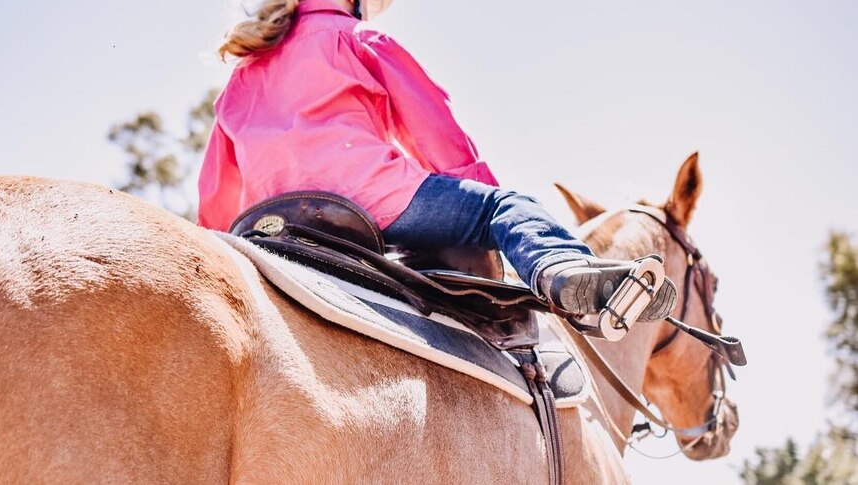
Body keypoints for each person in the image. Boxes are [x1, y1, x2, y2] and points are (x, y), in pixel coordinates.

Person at [197, 0, 676, 320]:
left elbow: (216, 192)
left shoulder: (241, 79)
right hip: (371, 200)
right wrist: (485, 198)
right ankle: (564, 270)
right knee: (507, 209)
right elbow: (437, 134)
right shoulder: (358, 39)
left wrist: (216, 249)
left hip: (269, 226)